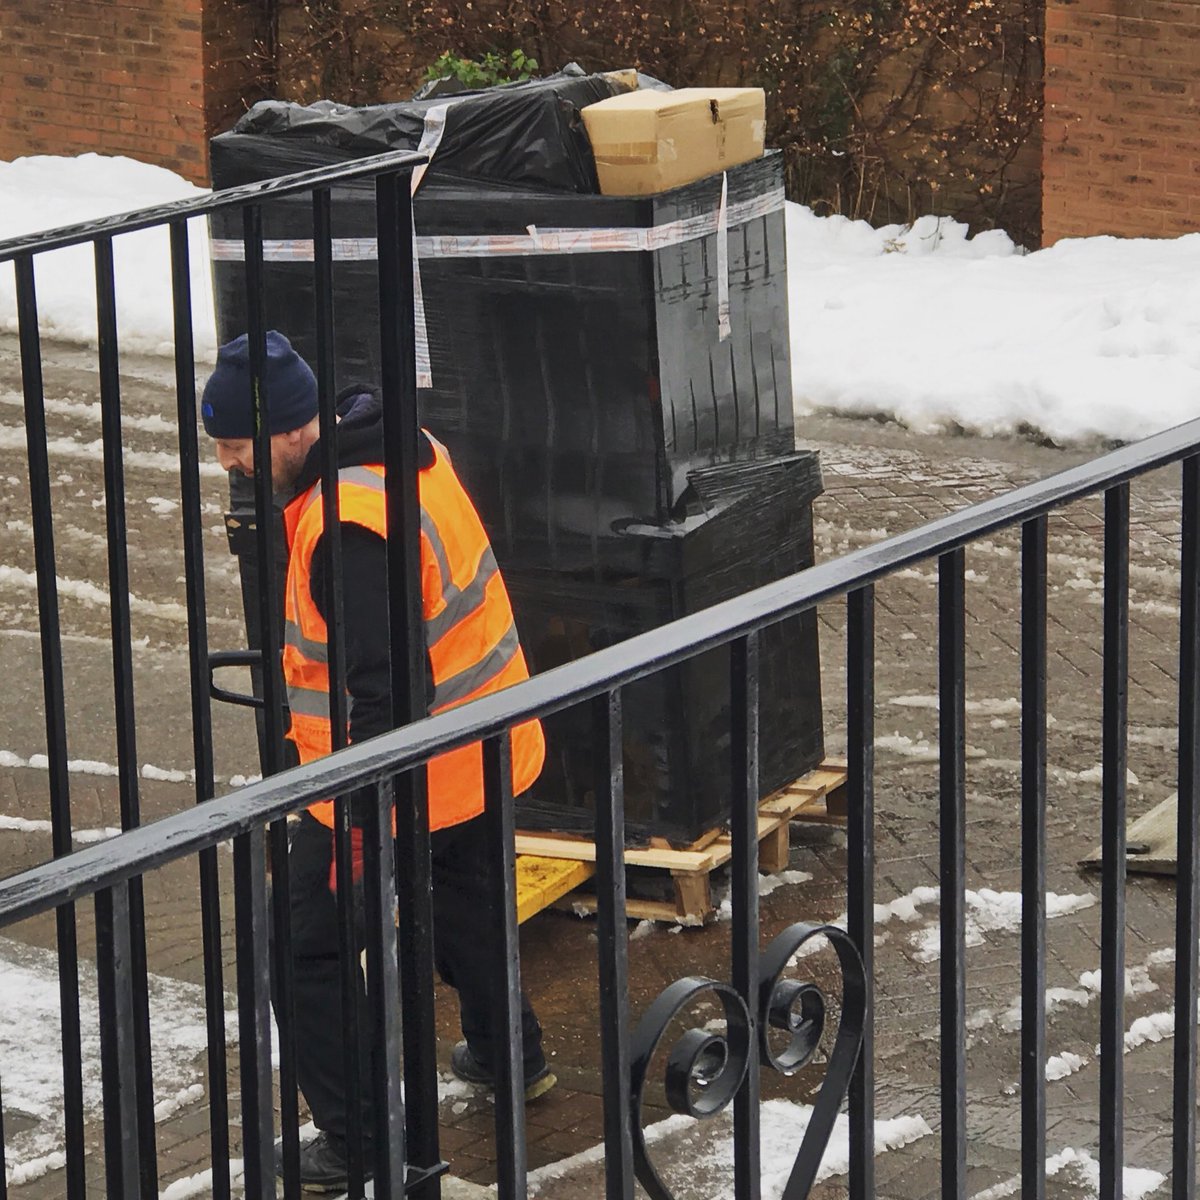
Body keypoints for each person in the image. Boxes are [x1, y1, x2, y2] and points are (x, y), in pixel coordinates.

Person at [200, 330, 554, 1190]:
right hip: (486, 744)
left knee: (303, 949)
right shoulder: (403, 450)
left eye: (238, 446)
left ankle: (357, 1138)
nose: (230, 466)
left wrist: (361, 818)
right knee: (463, 903)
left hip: (399, 778)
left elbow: (387, 693)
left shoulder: (346, 525)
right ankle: (512, 1056)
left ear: (291, 429)